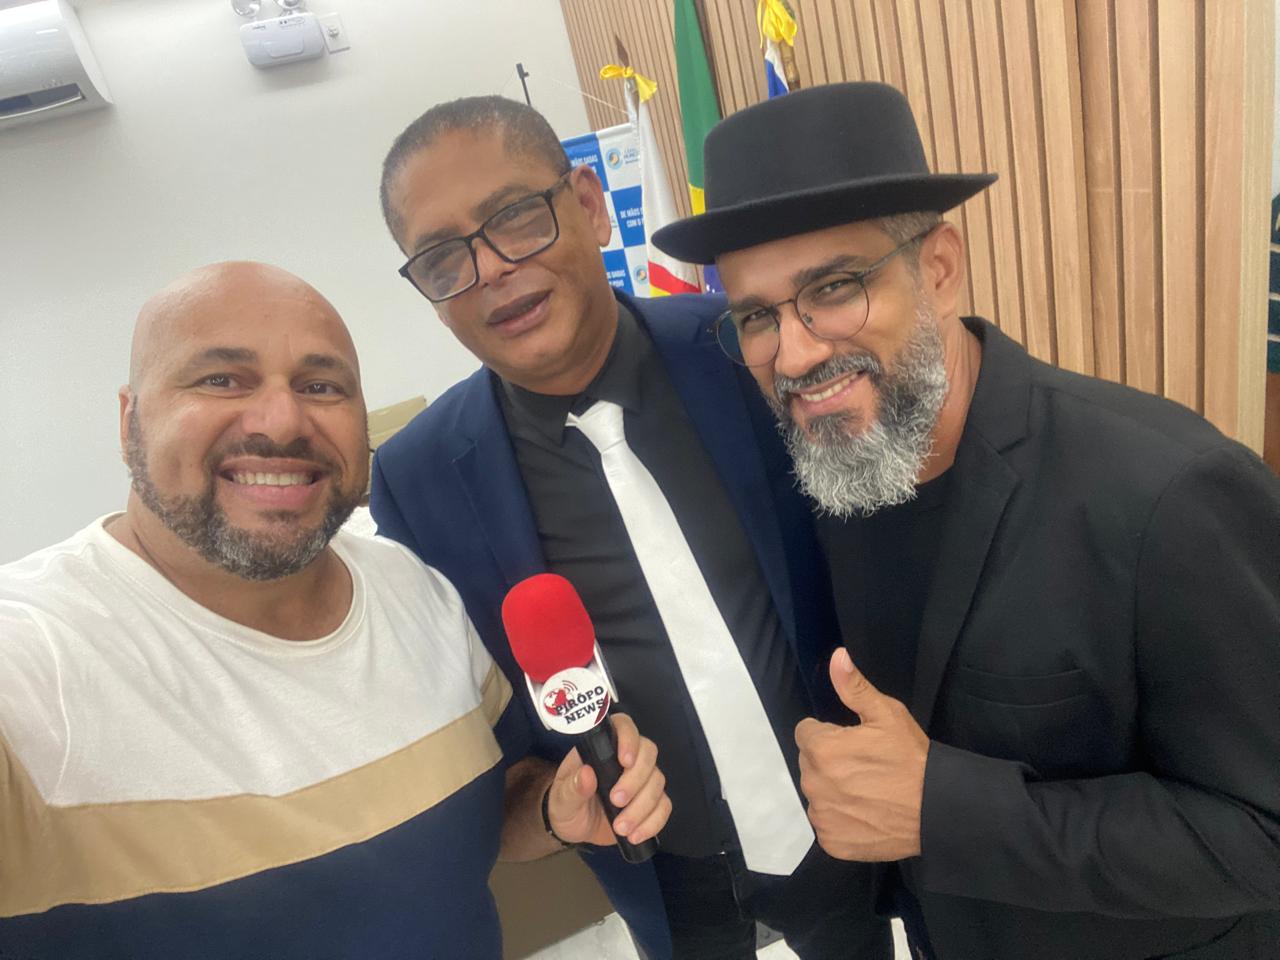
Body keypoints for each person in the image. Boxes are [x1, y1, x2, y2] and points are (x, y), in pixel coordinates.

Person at [652, 81, 1280, 960]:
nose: (792, 353)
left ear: (939, 270)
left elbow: (1265, 833)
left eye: (832, 287)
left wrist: (941, 811)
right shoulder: (831, 482)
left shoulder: (1169, 492)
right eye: (756, 316)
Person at [0, 261, 668, 960]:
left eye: (321, 386)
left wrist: (553, 811)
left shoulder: (416, 592)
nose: (283, 420)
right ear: (129, 419)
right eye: (222, 379)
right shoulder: (34, 658)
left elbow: (495, 802)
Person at [371, 96, 891, 960]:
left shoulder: (743, 349)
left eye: (515, 217)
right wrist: (554, 805)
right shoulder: (416, 480)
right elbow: (479, 733)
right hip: (657, 873)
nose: (491, 269)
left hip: (837, 815)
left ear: (588, 203)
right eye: (442, 258)